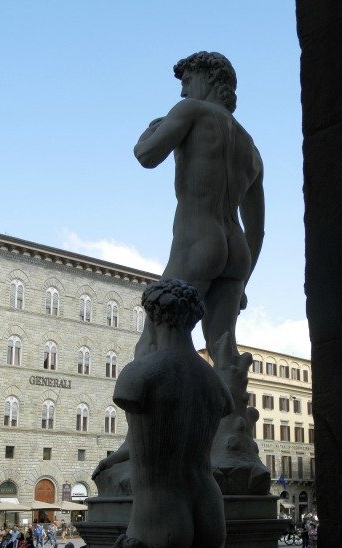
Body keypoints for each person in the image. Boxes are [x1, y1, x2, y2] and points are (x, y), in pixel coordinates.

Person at [94, 279, 240, 548]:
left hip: (160, 511)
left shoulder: (139, 374)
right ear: (193, 321)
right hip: (210, 509)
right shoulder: (215, 386)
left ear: (153, 317)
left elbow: (147, 439)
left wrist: (111, 460)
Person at [133, 51, 264, 360]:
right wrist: (243, 282)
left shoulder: (191, 111)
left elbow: (146, 156)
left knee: (155, 339)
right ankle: (231, 409)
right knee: (224, 354)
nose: (183, 91)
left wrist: (152, 129)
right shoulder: (252, 149)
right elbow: (257, 230)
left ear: (209, 78)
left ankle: (156, 408)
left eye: (188, 81)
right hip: (237, 252)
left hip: (198, 239)